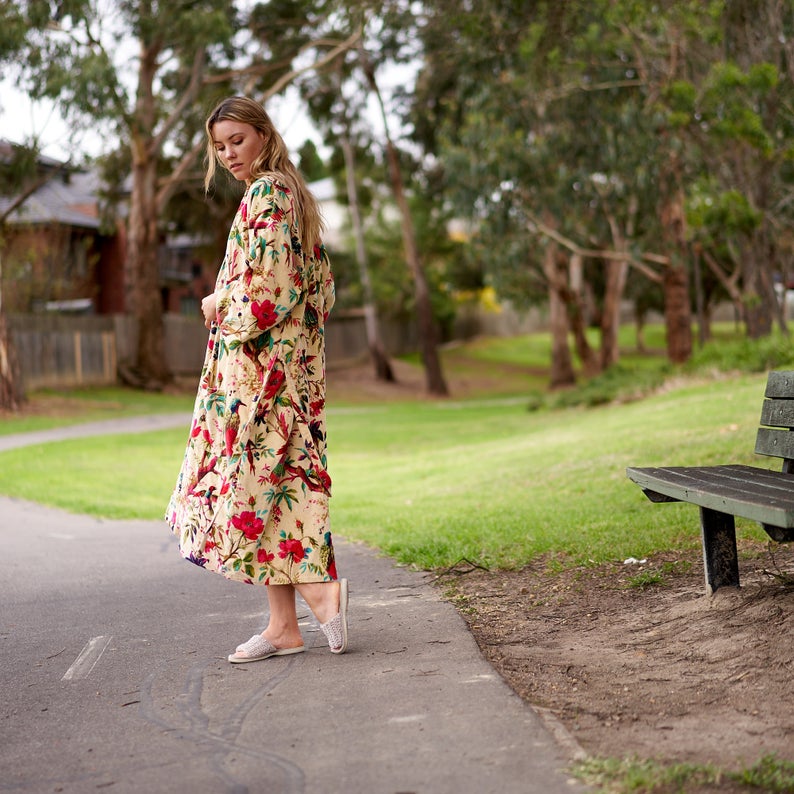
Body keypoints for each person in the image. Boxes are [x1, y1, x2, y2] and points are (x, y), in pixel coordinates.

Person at [166, 96, 347, 663]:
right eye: (219, 147)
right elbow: (322, 289)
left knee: (252, 485)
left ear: (264, 135)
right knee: (276, 488)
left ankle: (321, 591)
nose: (228, 155)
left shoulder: (271, 193)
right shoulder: (291, 196)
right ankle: (283, 626)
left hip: (262, 377)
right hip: (283, 374)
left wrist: (221, 300)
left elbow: (268, 293)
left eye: (237, 141)